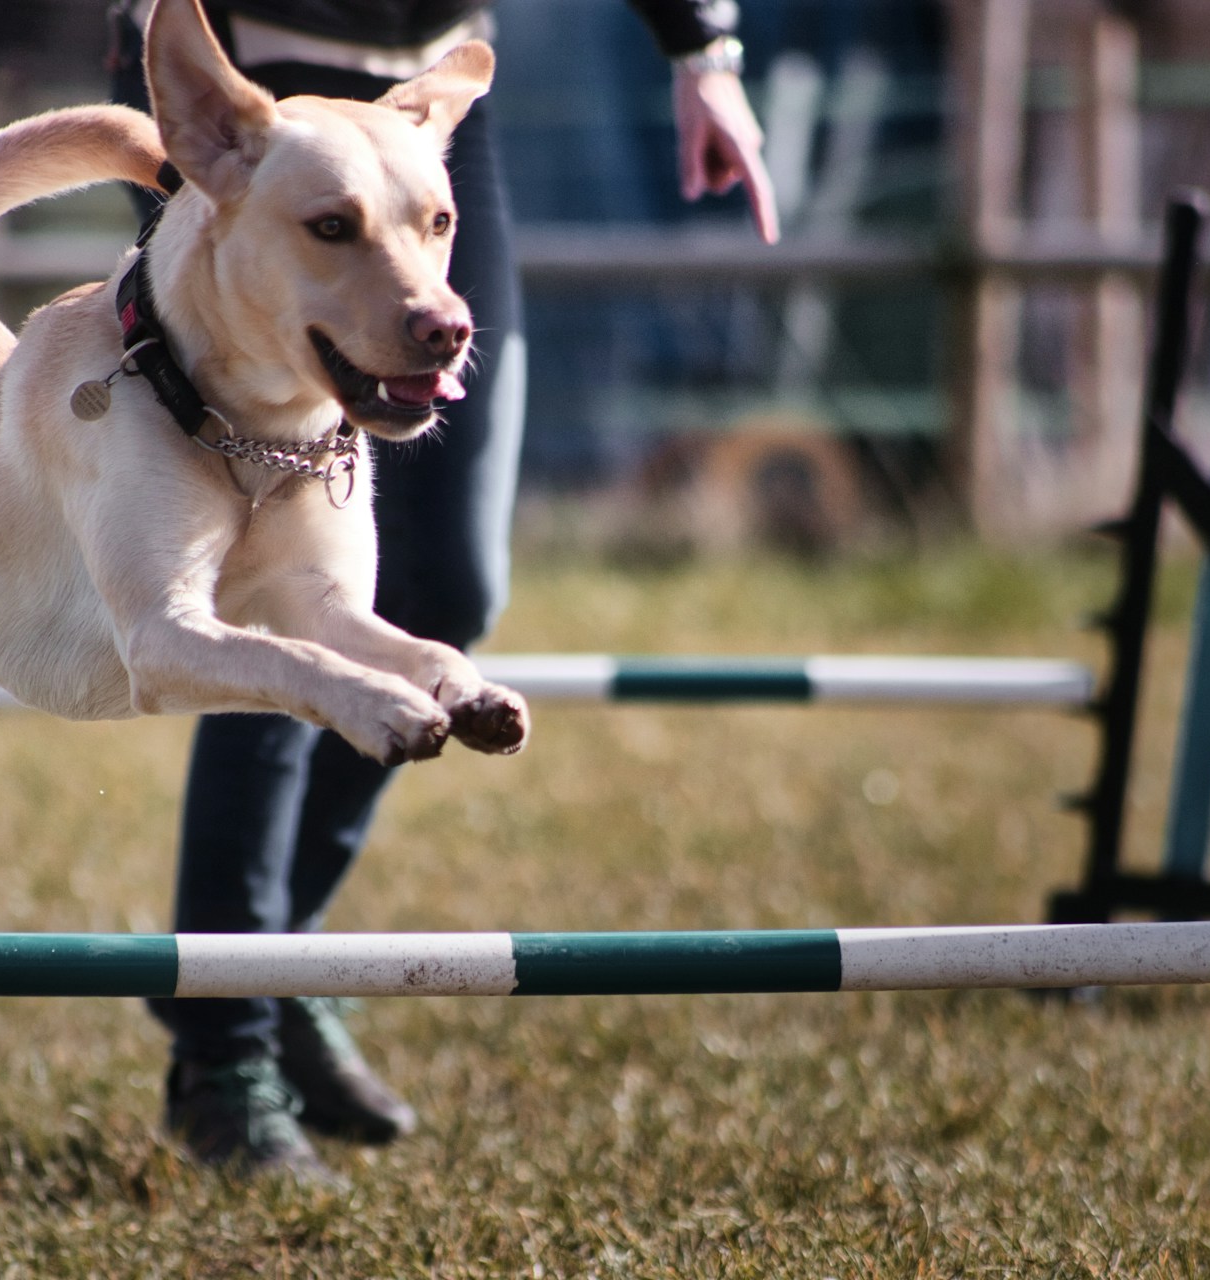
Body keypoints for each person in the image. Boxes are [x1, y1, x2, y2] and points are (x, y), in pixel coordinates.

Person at [110, 0, 779, 1182]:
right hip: (245, 101)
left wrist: (701, 46)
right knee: (275, 594)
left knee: (450, 582)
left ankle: (276, 955)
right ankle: (225, 1047)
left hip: (425, 102)